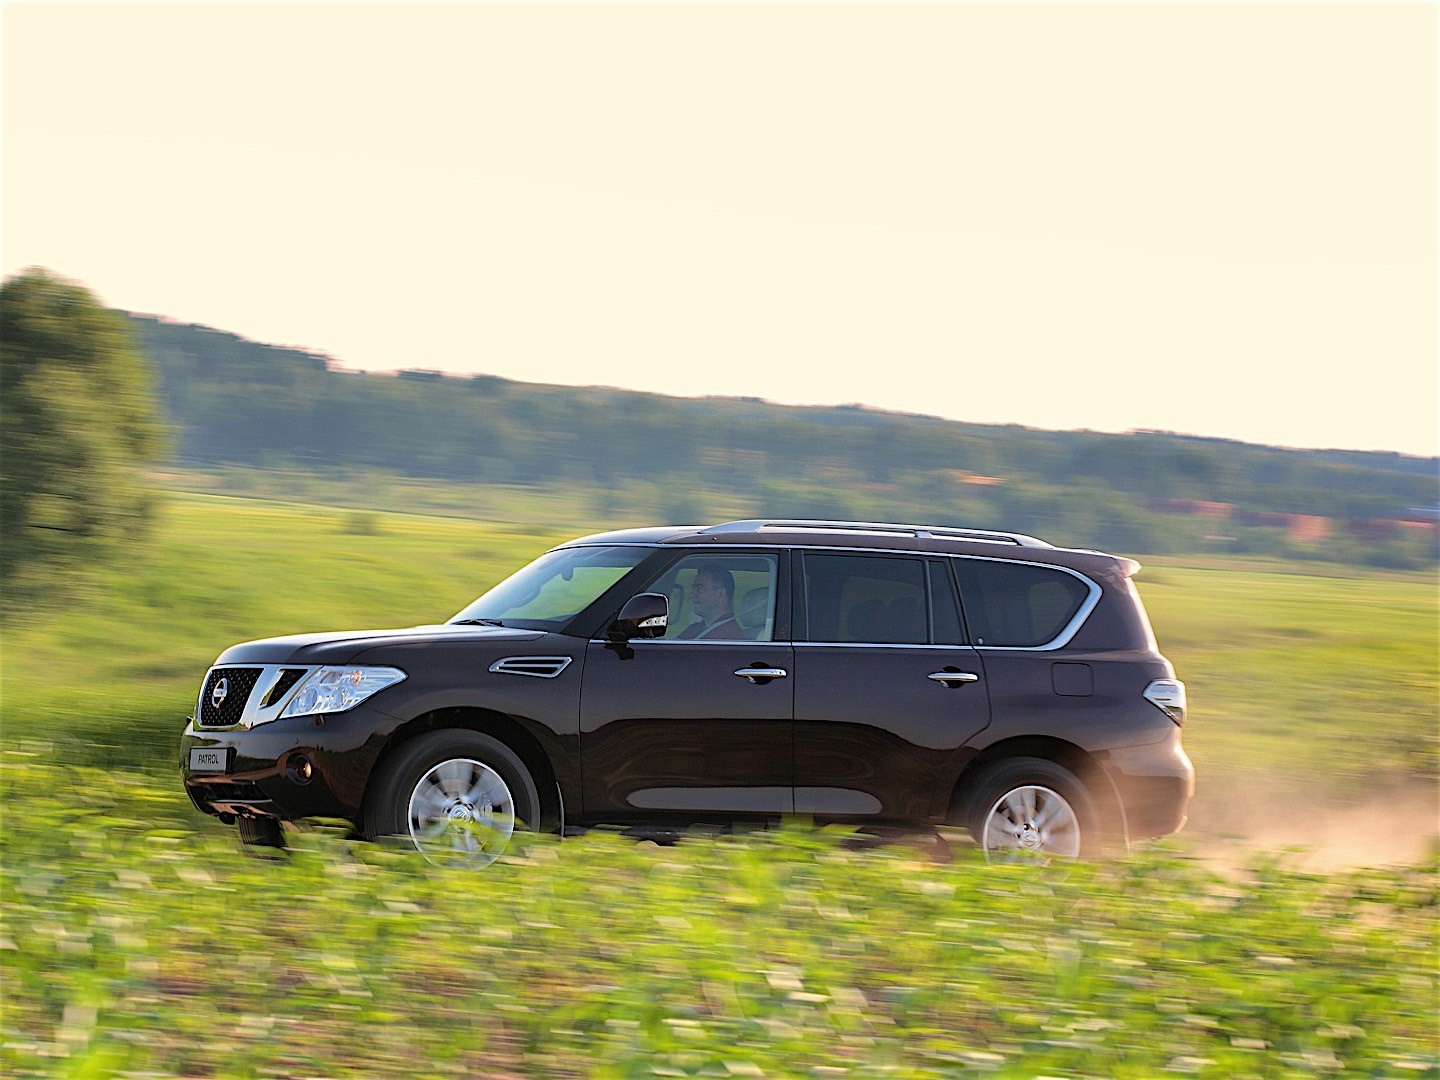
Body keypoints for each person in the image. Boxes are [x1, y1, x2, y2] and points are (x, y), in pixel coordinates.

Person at [678, 565, 744, 640]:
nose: (692, 595)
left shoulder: (724, 636)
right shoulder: (696, 627)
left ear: (720, 595)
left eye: (700, 588)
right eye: (694, 588)